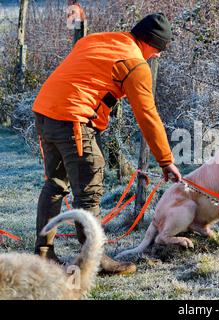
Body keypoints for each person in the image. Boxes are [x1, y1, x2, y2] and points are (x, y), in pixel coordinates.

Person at [32, 13, 181, 275]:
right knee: (88, 192)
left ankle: (43, 255)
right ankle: (95, 259)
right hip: (74, 121)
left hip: (45, 112)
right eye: (159, 49)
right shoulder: (134, 63)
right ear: (149, 42)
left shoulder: (96, 40)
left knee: (54, 184)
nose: (157, 56)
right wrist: (166, 160)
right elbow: (147, 116)